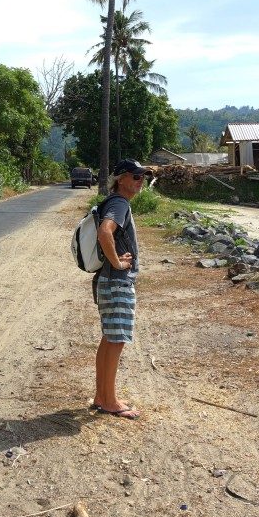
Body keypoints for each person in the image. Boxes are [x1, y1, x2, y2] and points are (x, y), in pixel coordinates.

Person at [92, 159, 149, 419]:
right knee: (115, 341)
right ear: (121, 179)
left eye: (142, 177)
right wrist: (118, 262)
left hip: (109, 281)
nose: (140, 181)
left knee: (109, 340)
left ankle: (102, 396)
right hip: (117, 282)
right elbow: (105, 232)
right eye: (135, 177)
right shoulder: (119, 203)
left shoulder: (114, 202)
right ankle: (110, 401)